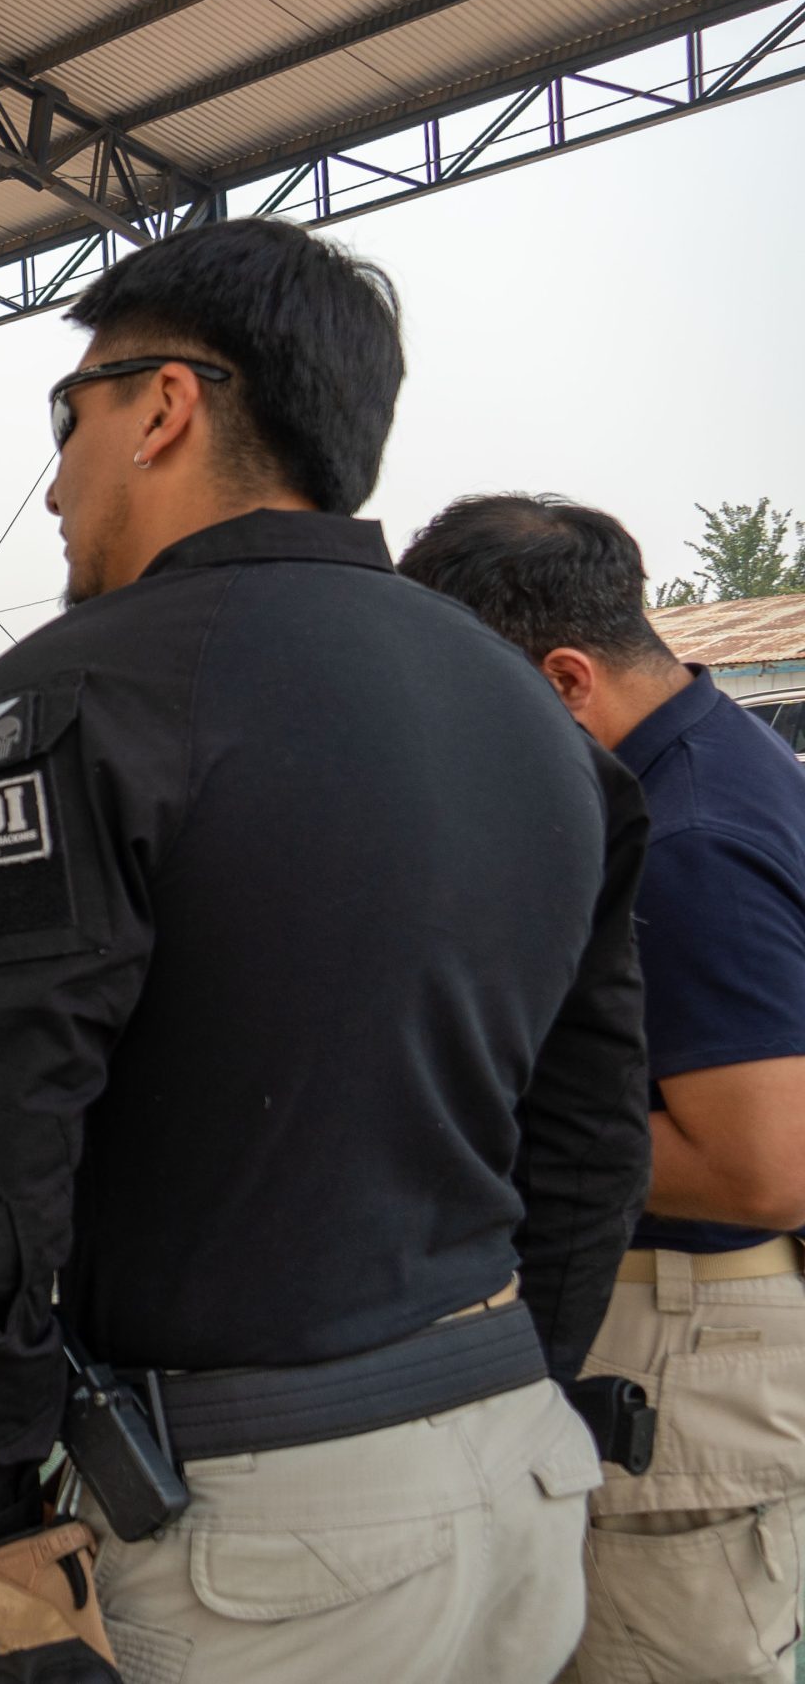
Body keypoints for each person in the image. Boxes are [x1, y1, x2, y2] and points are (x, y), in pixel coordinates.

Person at [0, 217, 649, 1684]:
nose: (55, 483)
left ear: (163, 406)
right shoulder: (536, 718)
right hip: (521, 1475)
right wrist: (527, 1379)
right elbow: (593, 1126)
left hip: (268, 1536)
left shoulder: (73, 695)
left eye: (69, 415)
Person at [399, 494, 805, 1684]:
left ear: (567, 679)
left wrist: (476, 1123)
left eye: (474, 701)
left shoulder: (684, 839)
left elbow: (761, 1165)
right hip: (678, 1326)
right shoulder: (715, 761)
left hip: (683, 1334)